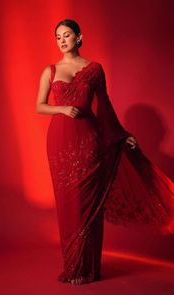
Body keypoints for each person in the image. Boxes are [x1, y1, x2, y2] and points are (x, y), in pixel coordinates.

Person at [36, 19, 174, 285]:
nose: (62, 40)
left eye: (67, 35)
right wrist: (62, 109)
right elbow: (40, 106)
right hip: (59, 144)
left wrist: (122, 136)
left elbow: (105, 109)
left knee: (87, 206)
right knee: (67, 206)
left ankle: (88, 268)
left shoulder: (94, 69)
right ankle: (73, 266)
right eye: (58, 37)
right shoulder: (50, 71)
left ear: (79, 37)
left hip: (89, 142)